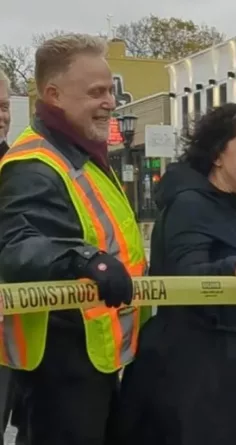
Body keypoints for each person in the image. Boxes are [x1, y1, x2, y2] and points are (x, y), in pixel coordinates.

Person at [115, 103, 236, 445]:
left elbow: (228, 294)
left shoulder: (228, 205)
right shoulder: (191, 204)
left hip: (227, 376)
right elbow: (185, 277)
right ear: (217, 154)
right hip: (194, 381)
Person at [0, 34, 147, 445]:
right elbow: (15, 247)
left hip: (90, 362)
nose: (111, 102)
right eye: (97, 92)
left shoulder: (80, 154)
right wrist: (85, 259)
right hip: (59, 370)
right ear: (54, 95)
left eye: (111, 91)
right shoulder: (35, 163)